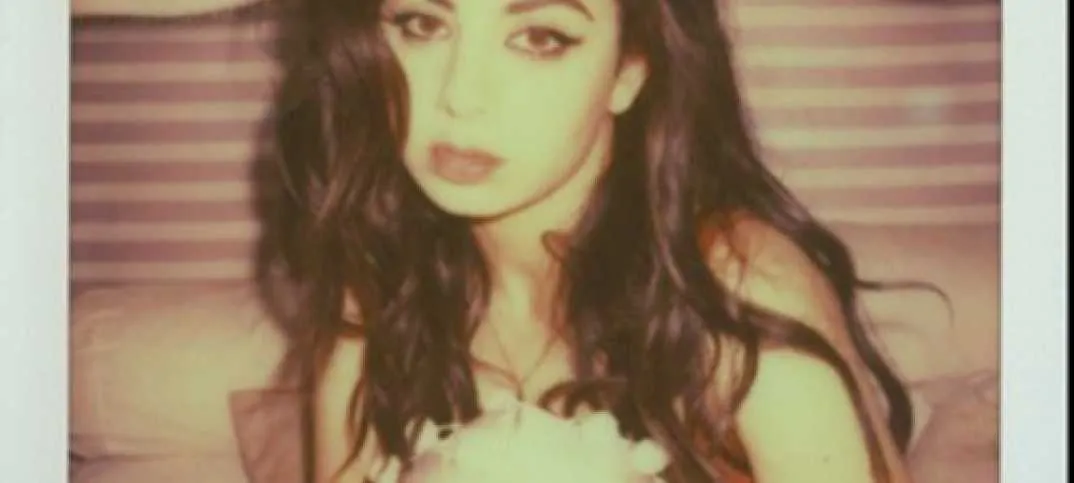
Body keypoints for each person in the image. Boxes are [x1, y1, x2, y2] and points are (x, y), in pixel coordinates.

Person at [76, 1, 917, 482]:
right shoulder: (380, 283)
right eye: (421, 22)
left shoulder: (736, 280)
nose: (462, 96)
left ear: (630, 71)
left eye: (538, 36)